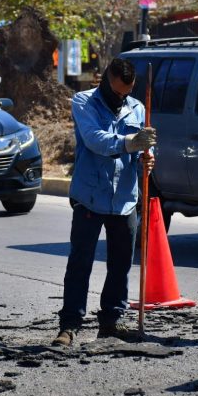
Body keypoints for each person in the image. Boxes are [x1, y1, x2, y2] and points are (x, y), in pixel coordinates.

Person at [52, 58, 156, 346]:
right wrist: (130, 143)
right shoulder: (84, 102)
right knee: (80, 263)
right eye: (117, 91)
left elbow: (140, 151)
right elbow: (95, 140)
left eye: (127, 92)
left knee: (121, 264)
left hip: (124, 199)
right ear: (106, 80)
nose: (121, 97)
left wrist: (146, 158)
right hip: (90, 196)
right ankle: (69, 325)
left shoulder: (137, 108)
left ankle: (110, 321)